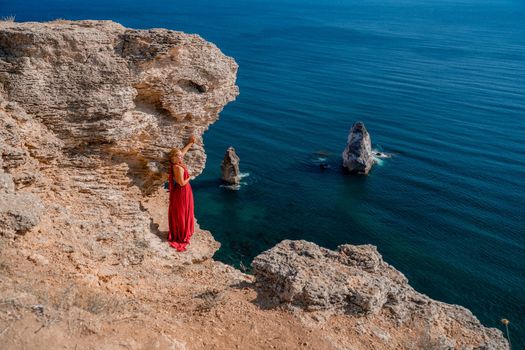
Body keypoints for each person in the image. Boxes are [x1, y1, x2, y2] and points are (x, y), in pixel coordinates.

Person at [167, 136, 196, 251]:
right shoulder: (177, 168)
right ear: (173, 157)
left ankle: (182, 231)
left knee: (183, 211)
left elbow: (183, 152)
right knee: (182, 212)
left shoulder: (175, 162)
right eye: (178, 156)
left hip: (183, 191)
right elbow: (181, 182)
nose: (181, 157)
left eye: (180, 155)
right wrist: (190, 177)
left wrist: (190, 143)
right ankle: (181, 234)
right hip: (182, 191)